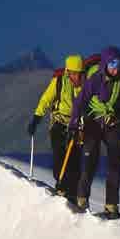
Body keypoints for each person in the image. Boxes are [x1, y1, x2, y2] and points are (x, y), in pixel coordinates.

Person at [68, 46, 120, 219]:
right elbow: (80, 102)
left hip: (112, 122)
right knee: (90, 160)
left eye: (119, 64)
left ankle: (111, 205)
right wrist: (74, 122)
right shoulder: (95, 80)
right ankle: (82, 199)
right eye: (112, 63)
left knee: (115, 163)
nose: (116, 67)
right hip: (93, 122)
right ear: (105, 63)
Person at [27, 55, 88, 202]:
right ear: (68, 72)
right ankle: (61, 187)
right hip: (59, 123)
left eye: (79, 73)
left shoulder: (87, 85)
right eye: (74, 73)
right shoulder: (59, 82)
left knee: (74, 161)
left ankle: (72, 194)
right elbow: (46, 100)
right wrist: (36, 118)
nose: (76, 77)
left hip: (78, 126)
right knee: (59, 156)